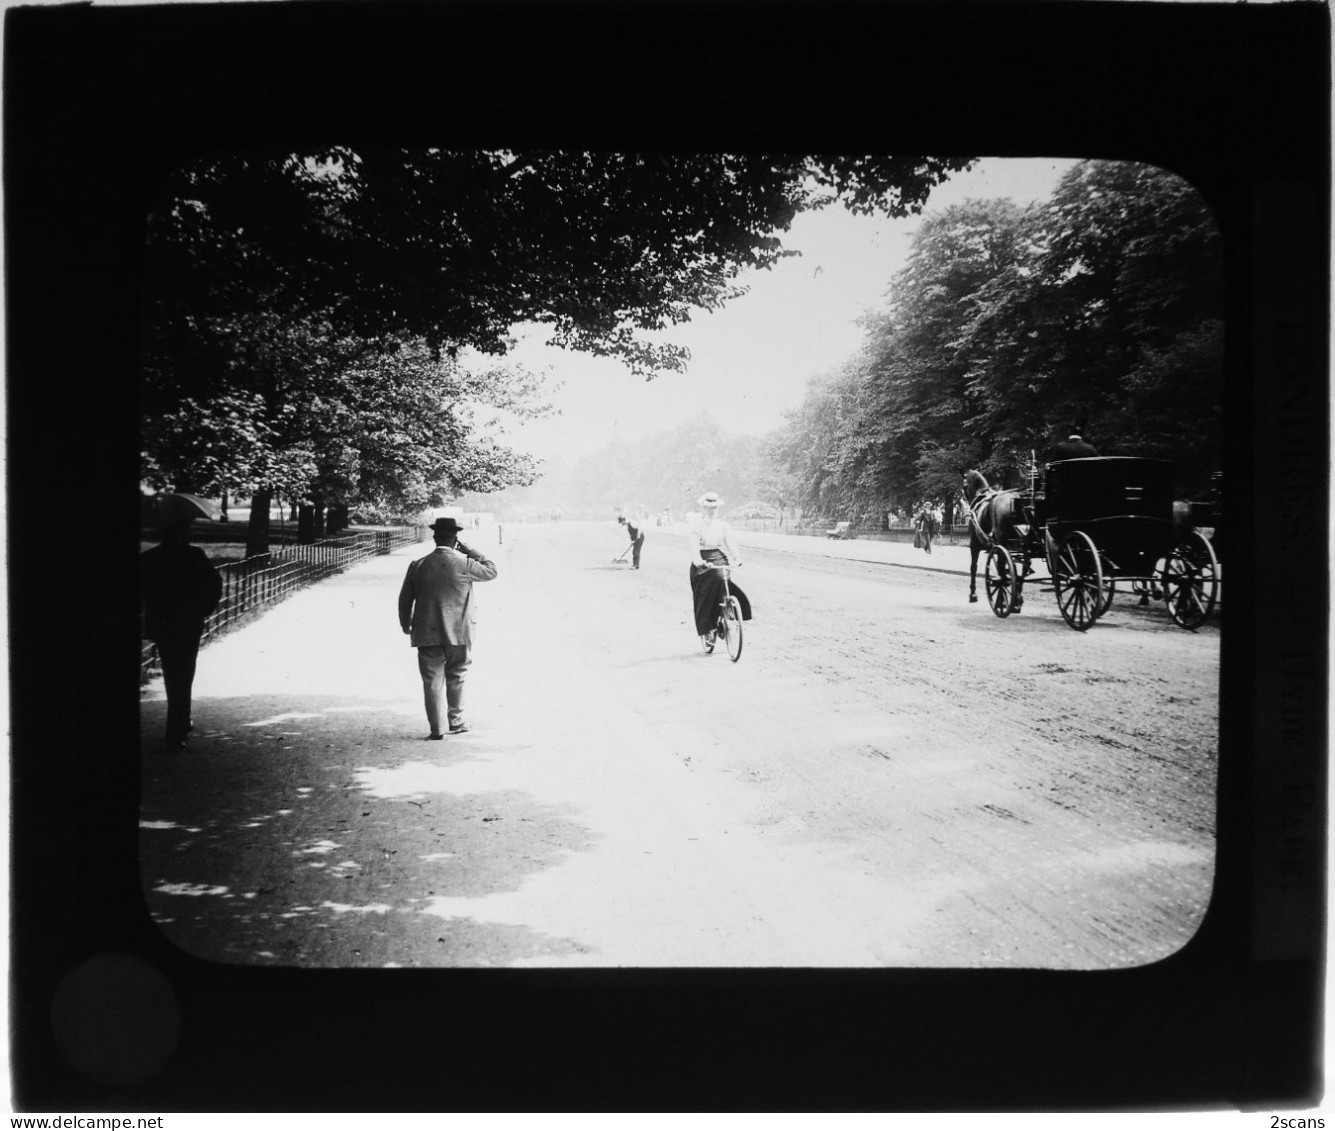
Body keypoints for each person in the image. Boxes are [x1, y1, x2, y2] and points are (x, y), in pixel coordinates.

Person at [398, 516, 497, 739]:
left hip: (426, 633)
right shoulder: (464, 564)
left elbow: (405, 600)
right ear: (455, 540)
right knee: (457, 675)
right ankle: (457, 721)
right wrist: (469, 550)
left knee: (431, 680)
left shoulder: (418, 565)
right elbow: (491, 570)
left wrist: (406, 624)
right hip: (459, 632)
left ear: (434, 537)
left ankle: (437, 729)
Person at [140, 506, 223, 751]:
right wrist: (204, 610)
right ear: (181, 532)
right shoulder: (195, 556)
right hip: (188, 623)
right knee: (184, 673)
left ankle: (178, 723)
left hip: (164, 625)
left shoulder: (149, 558)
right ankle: (178, 725)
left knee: (171, 672)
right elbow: (214, 585)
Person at [688, 492, 752, 645]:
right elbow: (694, 548)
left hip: (718, 557)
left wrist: (737, 557)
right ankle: (708, 630)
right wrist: (699, 561)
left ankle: (728, 608)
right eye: (709, 508)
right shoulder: (696, 526)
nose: (712, 511)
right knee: (704, 597)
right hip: (703, 563)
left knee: (723, 577)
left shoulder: (723, 526)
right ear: (703, 508)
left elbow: (730, 543)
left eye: (715, 508)